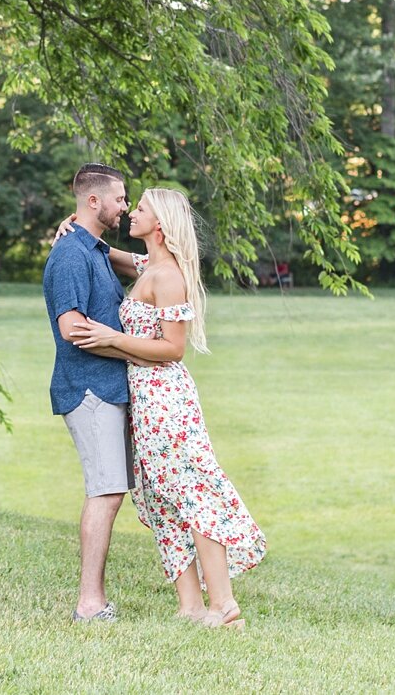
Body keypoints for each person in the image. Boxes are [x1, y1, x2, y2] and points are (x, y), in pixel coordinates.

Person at [67, 187, 266, 629]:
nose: (130, 212)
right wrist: (73, 229)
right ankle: (190, 606)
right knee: (162, 500)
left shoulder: (168, 276)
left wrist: (113, 339)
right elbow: (108, 252)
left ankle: (224, 606)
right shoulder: (148, 267)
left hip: (166, 399)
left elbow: (173, 349)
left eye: (140, 208)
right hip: (145, 399)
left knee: (192, 495)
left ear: (159, 224)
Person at [41, 163, 141, 622]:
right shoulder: (69, 256)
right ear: (94, 201)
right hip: (88, 389)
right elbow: (71, 327)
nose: (126, 206)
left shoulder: (94, 249)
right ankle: (89, 604)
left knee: (110, 491)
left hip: (107, 387)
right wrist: (134, 351)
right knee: (104, 491)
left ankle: (93, 599)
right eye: (121, 199)